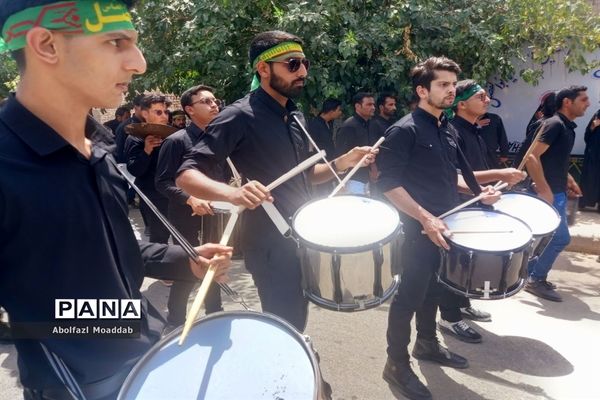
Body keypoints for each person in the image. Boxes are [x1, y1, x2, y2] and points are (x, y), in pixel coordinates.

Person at [0, 2, 231, 399]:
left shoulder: (99, 148)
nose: (138, 63)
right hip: (76, 385)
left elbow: (111, 246)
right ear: (46, 45)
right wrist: (113, 323)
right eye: (116, 42)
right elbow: (29, 318)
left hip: (146, 354)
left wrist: (184, 259)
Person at [176, 30, 377, 333]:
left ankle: (299, 362)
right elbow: (186, 175)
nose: (303, 72)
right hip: (269, 242)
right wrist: (233, 193)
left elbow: (308, 174)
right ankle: (288, 373)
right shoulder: (238, 116)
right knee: (283, 320)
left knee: (298, 314)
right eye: (292, 64)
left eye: (304, 63)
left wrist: (344, 161)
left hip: (304, 234)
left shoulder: (295, 117)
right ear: (263, 68)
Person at [376, 57, 500, 400]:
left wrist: (479, 194)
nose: (451, 90)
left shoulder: (445, 127)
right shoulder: (405, 130)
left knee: (433, 290)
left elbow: (451, 175)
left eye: (452, 85)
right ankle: (396, 364)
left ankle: (427, 343)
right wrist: (424, 217)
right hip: (417, 232)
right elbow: (387, 184)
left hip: (445, 228)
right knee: (408, 298)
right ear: (422, 90)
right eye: (443, 84)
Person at [439, 79, 526, 344]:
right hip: (456, 205)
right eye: (480, 97)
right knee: (453, 263)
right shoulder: (452, 131)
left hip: (475, 201)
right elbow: (455, 176)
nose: (486, 100)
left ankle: (463, 304)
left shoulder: (475, 129)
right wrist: (499, 174)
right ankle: (449, 316)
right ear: (461, 104)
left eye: (486, 96)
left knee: (466, 262)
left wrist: (491, 188)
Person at [156, 85, 223, 331]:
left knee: (215, 263)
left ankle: (215, 312)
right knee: (188, 266)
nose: (214, 105)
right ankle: (175, 321)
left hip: (216, 214)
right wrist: (190, 199)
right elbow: (162, 182)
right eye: (206, 101)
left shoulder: (218, 139)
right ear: (189, 110)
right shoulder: (176, 141)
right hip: (186, 215)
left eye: (215, 100)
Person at [525, 85, 589, 302]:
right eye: (583, 100)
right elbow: (532, 157)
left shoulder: (567, 127)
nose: (587, 104)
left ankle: (529, 272)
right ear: (567, 102)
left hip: (558, 190)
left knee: (552, 237)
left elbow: (555, 160)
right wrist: (544, 189)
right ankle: (535, 279)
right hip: (550, 192)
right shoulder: (554, 124)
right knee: (560, 238)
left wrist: (569, 180)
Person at [124, 93, 171, 244]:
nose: (164, 116)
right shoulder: (135, 138)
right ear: (145, 114)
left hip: (175, 194)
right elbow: (134, 170)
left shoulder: (173, 136)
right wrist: (146, 151)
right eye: (158, 112)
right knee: (159, 238)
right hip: (153, 196)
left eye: (165, 112)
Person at [335, 91, 377, 194]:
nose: (373, 107)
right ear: (358, 106)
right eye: (369, 104)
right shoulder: (349, 126)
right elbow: (340, 155)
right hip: (351, 180)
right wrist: (340, 182)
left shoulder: (369, 124)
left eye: (373, 104)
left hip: (365, 179)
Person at [307, 98, 342, 197]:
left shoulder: (328, 123)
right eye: (338, 110)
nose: (340, 112)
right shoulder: (315, 124)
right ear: (331, 111)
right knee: (322, 194)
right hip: (321, 165)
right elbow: (311, 147)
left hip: (329, 163)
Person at [579, 109, 600, 210]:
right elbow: (587, 136)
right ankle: (583, 203)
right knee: (589, 177)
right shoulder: (596, 115)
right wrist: (593, 126)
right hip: (593, 154)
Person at [114, 93, 144, 163]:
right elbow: (119, 151)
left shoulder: (150, 124)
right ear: (136, 107)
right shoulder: (124, 126)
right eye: (143, 107)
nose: (146, 110)